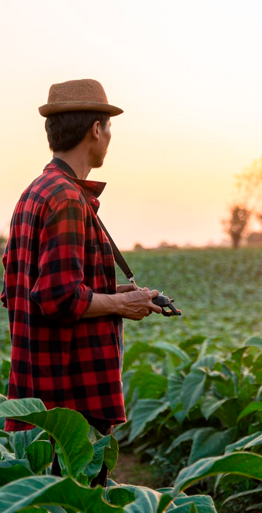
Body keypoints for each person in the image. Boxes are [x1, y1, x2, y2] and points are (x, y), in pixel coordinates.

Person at [1, 79, 162, 485]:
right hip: (71, 404)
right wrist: (121, 306)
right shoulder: (68, 200)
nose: (109, 138)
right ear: (96, 129)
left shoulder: (34, 194)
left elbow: (24, 291)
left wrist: (118, 294)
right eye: (108, 128)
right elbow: (57, 298)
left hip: (40, 399)